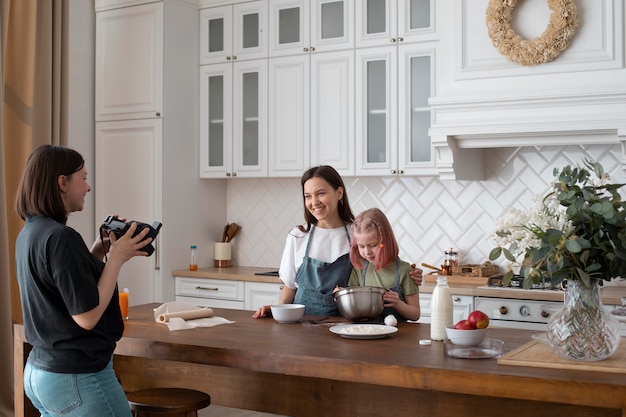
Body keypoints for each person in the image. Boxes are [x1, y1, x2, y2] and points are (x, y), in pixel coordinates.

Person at [14, 145, 153, 417]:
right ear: (62, 183)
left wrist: (98, 252)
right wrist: (116, 259)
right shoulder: (61, 237)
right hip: (76, 377)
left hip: (40, 373)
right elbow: (86, 316)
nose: (88, 187)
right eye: (84, 178)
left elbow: (65, 290)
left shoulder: (31, 232)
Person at [253, 165, 423, 318]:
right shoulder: (297, 236)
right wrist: (277, 310)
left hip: (345, 324)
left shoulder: (357, 232)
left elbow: (379, 267)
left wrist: (409, 274)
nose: (314, 202)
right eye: (308, 196)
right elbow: (290, 287)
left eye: (321, 193)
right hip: (303, 324)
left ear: (339, 193)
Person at [348, 208, 420, 321]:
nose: (367, 252)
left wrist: (398, 303)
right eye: (361, 246)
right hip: (367, 332)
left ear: (385, 241)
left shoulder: (404, 270)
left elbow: (415, 314)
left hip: (398, 335)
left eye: (372, 245)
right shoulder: (360, 269)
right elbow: (353, 303)